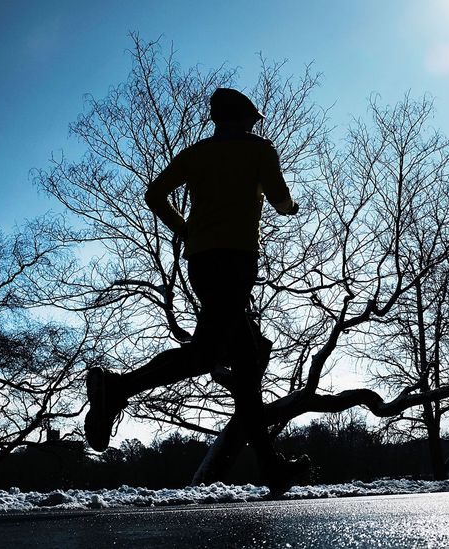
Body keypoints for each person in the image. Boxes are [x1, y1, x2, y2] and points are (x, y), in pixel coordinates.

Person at [84, 87, 309, 496]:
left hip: (201, 261)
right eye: (252, 119)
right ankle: (116, 387)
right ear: (243, 119)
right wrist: (291, 207)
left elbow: (154, 195)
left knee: (247, 356)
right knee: (211, 352)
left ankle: (272, 468)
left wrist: (184, 229)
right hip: (237, 260)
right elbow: (279, 200)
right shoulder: (259, 149)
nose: (254, 125)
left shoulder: (196, 153)